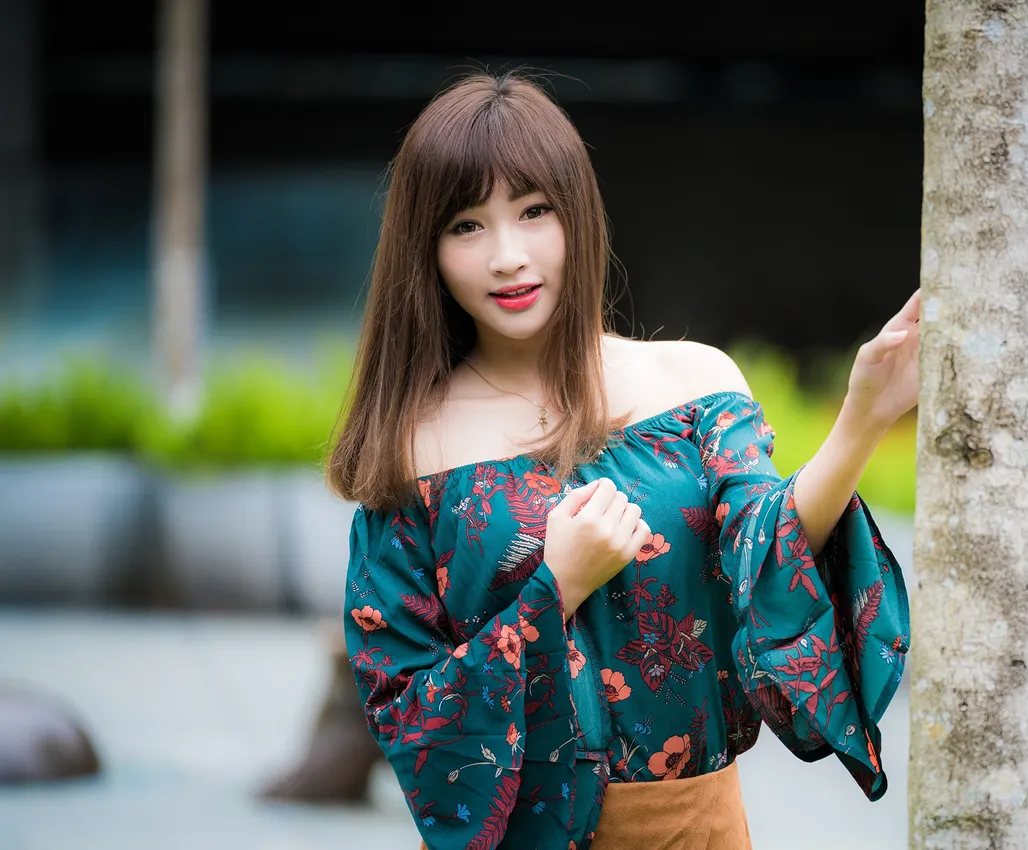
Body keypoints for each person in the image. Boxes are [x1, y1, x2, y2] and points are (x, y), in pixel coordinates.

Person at [324, 71, 917, 850]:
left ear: (576, 216)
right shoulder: (412, 455)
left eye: (534, 212)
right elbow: (411, 716)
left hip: (699, 830)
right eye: (467, 225)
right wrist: (554, 588)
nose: (508, 256)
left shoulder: (694, 384)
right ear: (425, 250)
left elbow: (766, 560)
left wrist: (862, 420)